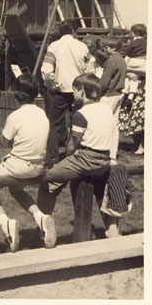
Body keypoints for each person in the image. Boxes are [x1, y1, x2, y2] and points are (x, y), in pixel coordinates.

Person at [37, 73, 118, 240]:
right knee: (93, 188)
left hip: (85, 158)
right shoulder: (107, 109)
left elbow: (73, 145)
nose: (73, 94)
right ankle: (112, 230)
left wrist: (64, 160)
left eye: (74, 91)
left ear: (82, 91)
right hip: (104, 159)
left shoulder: (82, 114)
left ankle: (42, 225)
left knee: (48, 180)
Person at [0, 74, 55, 252]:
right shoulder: (42, 112)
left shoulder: (15, 116)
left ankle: (6, 223)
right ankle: (40, 217)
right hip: (37, 166)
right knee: (16, 190)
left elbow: (3, 142)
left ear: (16, 94)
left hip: (19, 165)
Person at [41, 20, 88, 167]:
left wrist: (53, 85)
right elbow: (88, 70)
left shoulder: (54, 46)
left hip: (61, 91)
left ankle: (52, 160)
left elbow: (46, 69)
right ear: (74, 31)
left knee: (53, 124)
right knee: (79, 123)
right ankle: (77, 155)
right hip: (79, 91)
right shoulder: (83, 46)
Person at [98, 36, 127, 164]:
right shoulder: (122, 60)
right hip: (119, 93)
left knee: (102, 123)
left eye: (106, 47)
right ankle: (112, 154)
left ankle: (101, 151)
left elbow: (104, 82)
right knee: (114, 125)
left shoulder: (111, 62)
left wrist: (97, 93)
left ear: (113, 48)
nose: (105, 50)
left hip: (108, 95)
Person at [119, 25, 146, 156]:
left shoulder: (133, 43)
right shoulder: (146, 43)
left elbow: (127, 54)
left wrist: (128, 69)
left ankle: (128, 93)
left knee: (137, 115)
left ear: (134, 33)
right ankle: (139, 145)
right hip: (141, 75)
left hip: (140, 79)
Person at [123, 24, 146, 103]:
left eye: (132, 32)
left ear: (136, 33)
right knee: (136, 78)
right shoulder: (147, 41)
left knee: (128, 76)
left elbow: (128, 53)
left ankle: (125, 91)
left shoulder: (133, 42)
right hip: (142, 61)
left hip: (133, 60)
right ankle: (131, 94)